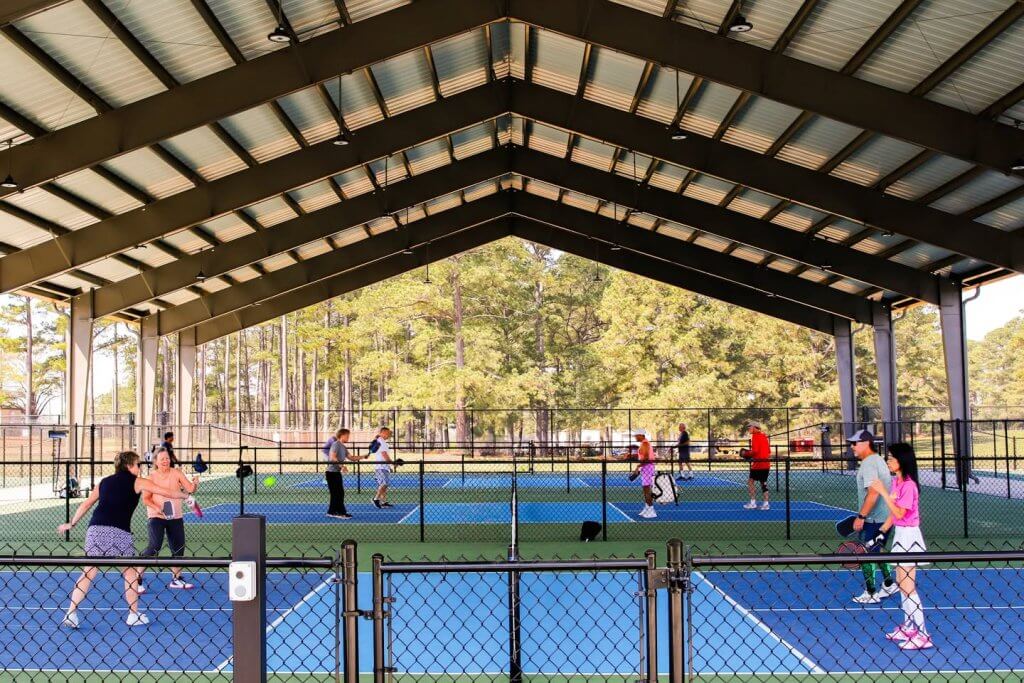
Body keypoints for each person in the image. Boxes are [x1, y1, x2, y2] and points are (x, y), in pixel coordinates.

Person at [56, 450, 190, 629]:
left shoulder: (104, 482)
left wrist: (71, 523)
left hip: (95, 529)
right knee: (129, 572)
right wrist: (186, 496)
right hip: (119, 532)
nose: (140, 468)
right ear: (129, 465)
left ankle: (71, 613)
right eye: (138, 465)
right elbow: (165, 491)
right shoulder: (138, 482)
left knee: (88, 572)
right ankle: (133, 615)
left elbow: (87, 504)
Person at [870, 442, 933, 650]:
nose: (888, 461)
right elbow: (893, 515)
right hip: (899, 535)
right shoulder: (898, 482)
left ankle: (923, 634)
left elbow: (900, 513)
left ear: (901, 461)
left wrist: (882, 493)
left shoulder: (908, 485)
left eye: (891, 458)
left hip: (909, 537)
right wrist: (881, 533)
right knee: (901, 583)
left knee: (908, 586)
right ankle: (909, 626)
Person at [848, 429, 899, 604]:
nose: (852, 446)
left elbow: (873, 493)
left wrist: (861, 516)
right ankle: (889, 583)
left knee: (866, 554)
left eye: (855, 443)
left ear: (865, 444)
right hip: (884, 518)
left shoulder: (869, 463)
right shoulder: (878, 460)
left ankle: (871, 593)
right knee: (876, 551)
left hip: (875, 520)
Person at [138, 448, 200, 592]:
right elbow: (146, 500)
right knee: (154, 546)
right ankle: (137, 578)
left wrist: (195, 483)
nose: (165, 461)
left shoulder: (176, 473)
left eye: (167, 458)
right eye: (162, 459)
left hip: (175, 516)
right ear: (156, 462)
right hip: (156, 516)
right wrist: (158, 508)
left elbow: (190, 489)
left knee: (178, 548)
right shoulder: (150, 477)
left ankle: (176, 579)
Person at [326, 428, 355, 519]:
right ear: (342, 435)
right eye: (347, 435)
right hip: (331, 473)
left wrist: (364, 456)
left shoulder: (343, 446)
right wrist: (342, 466)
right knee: (337, 493)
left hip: (336, 473)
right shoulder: (336, 444)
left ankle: (332, 511)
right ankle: (340, 512)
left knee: (338, 493)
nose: (348, 437)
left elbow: (351, 458)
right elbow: (332, 457)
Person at [743, 423, 771, 510]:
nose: (749, 428)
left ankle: (753, 503)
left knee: (750, 482)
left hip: (758, 464)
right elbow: (769, 451)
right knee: (764, 483)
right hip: (766, 464)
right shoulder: (764, 436)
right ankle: (766, 504)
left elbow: (755, 451)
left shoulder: (755, 436)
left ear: (755, 428)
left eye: (750, 427)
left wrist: (746, 453)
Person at [630, 429, 657, 519]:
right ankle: (647, 507)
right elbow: (643, 456)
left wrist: (638, 466)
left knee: (647, 489)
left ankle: (651, 510)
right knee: (645, 489)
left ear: (641, 435)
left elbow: (646, 458)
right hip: (646, 467)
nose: (635, 437)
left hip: (647, 467)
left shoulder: (645, 443)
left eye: (636, 435)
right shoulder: (644, 443)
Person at [370, 427, 394, 509]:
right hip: (381, 467)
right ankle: (376, 499)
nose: (389, 435)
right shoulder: (381, 441)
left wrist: (389, 466)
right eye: (387, 433)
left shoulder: (382, 442)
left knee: (385, 485)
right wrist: (392, 463)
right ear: (382, 432)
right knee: (383, 483)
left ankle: (383, 501)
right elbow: (384, 455)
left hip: (384, 466)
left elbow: (384, 455)